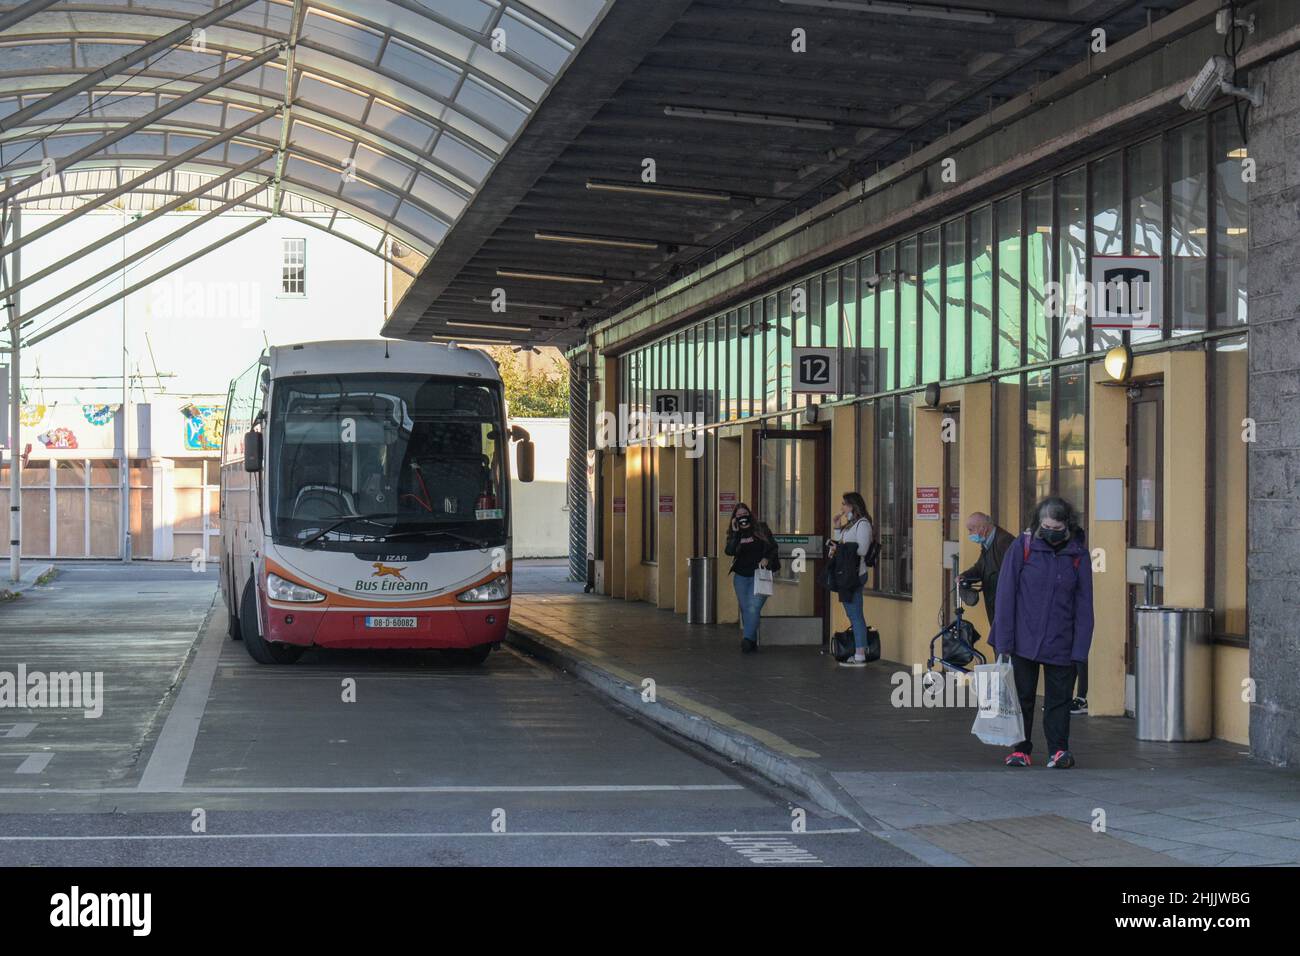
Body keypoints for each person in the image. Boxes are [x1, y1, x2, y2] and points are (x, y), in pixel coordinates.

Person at [991, 496, 1093, 769]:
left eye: (1057, 529)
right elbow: (1006, 595)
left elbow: (1085, 605)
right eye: (1046, 526)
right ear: (1038, 523)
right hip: (1024, 640)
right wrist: (1004, 641)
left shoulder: (1078, 555)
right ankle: (1021, 750)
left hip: (1062, 641)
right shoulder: (1022, 548)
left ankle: (1059, 751)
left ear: (1067, 527)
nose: (1051, 532)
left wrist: (1080, 650)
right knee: (1022, 697)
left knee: (1058, 700)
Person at [724, 503, 779, 653]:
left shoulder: (761, 528)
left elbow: (773, 547)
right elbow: (729, 551)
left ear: (750, 514)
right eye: (739, 515)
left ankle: (747, 640)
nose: (742, 517)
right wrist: (735, 533)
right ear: (735, 518)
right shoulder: (734, 532)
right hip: (741, 576)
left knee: (753, 607)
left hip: (759, 575)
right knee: (746, 609)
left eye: (744, 513)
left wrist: (767, 558)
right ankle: (752, 640)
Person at [827, 491, 874, 667]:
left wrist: (841, 549)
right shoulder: (851, 525)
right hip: (845, 574)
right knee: (852, 612)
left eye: (844, 504)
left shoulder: (863, 524)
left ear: (852, 506)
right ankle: (859, 650)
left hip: (855, 574)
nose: (842, 507)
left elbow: (861, 550)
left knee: (855, 614)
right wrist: (837, 527)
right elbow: (841, 544)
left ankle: (860, 653)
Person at [958, 512, 1015, 628]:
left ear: (983, 528)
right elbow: (980, 567)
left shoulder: (1003, 541)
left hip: (1005, 606)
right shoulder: (987, 542)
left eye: (971, 530)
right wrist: (964, 576)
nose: (969, 534)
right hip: (995, 603)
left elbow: (1012, 575)